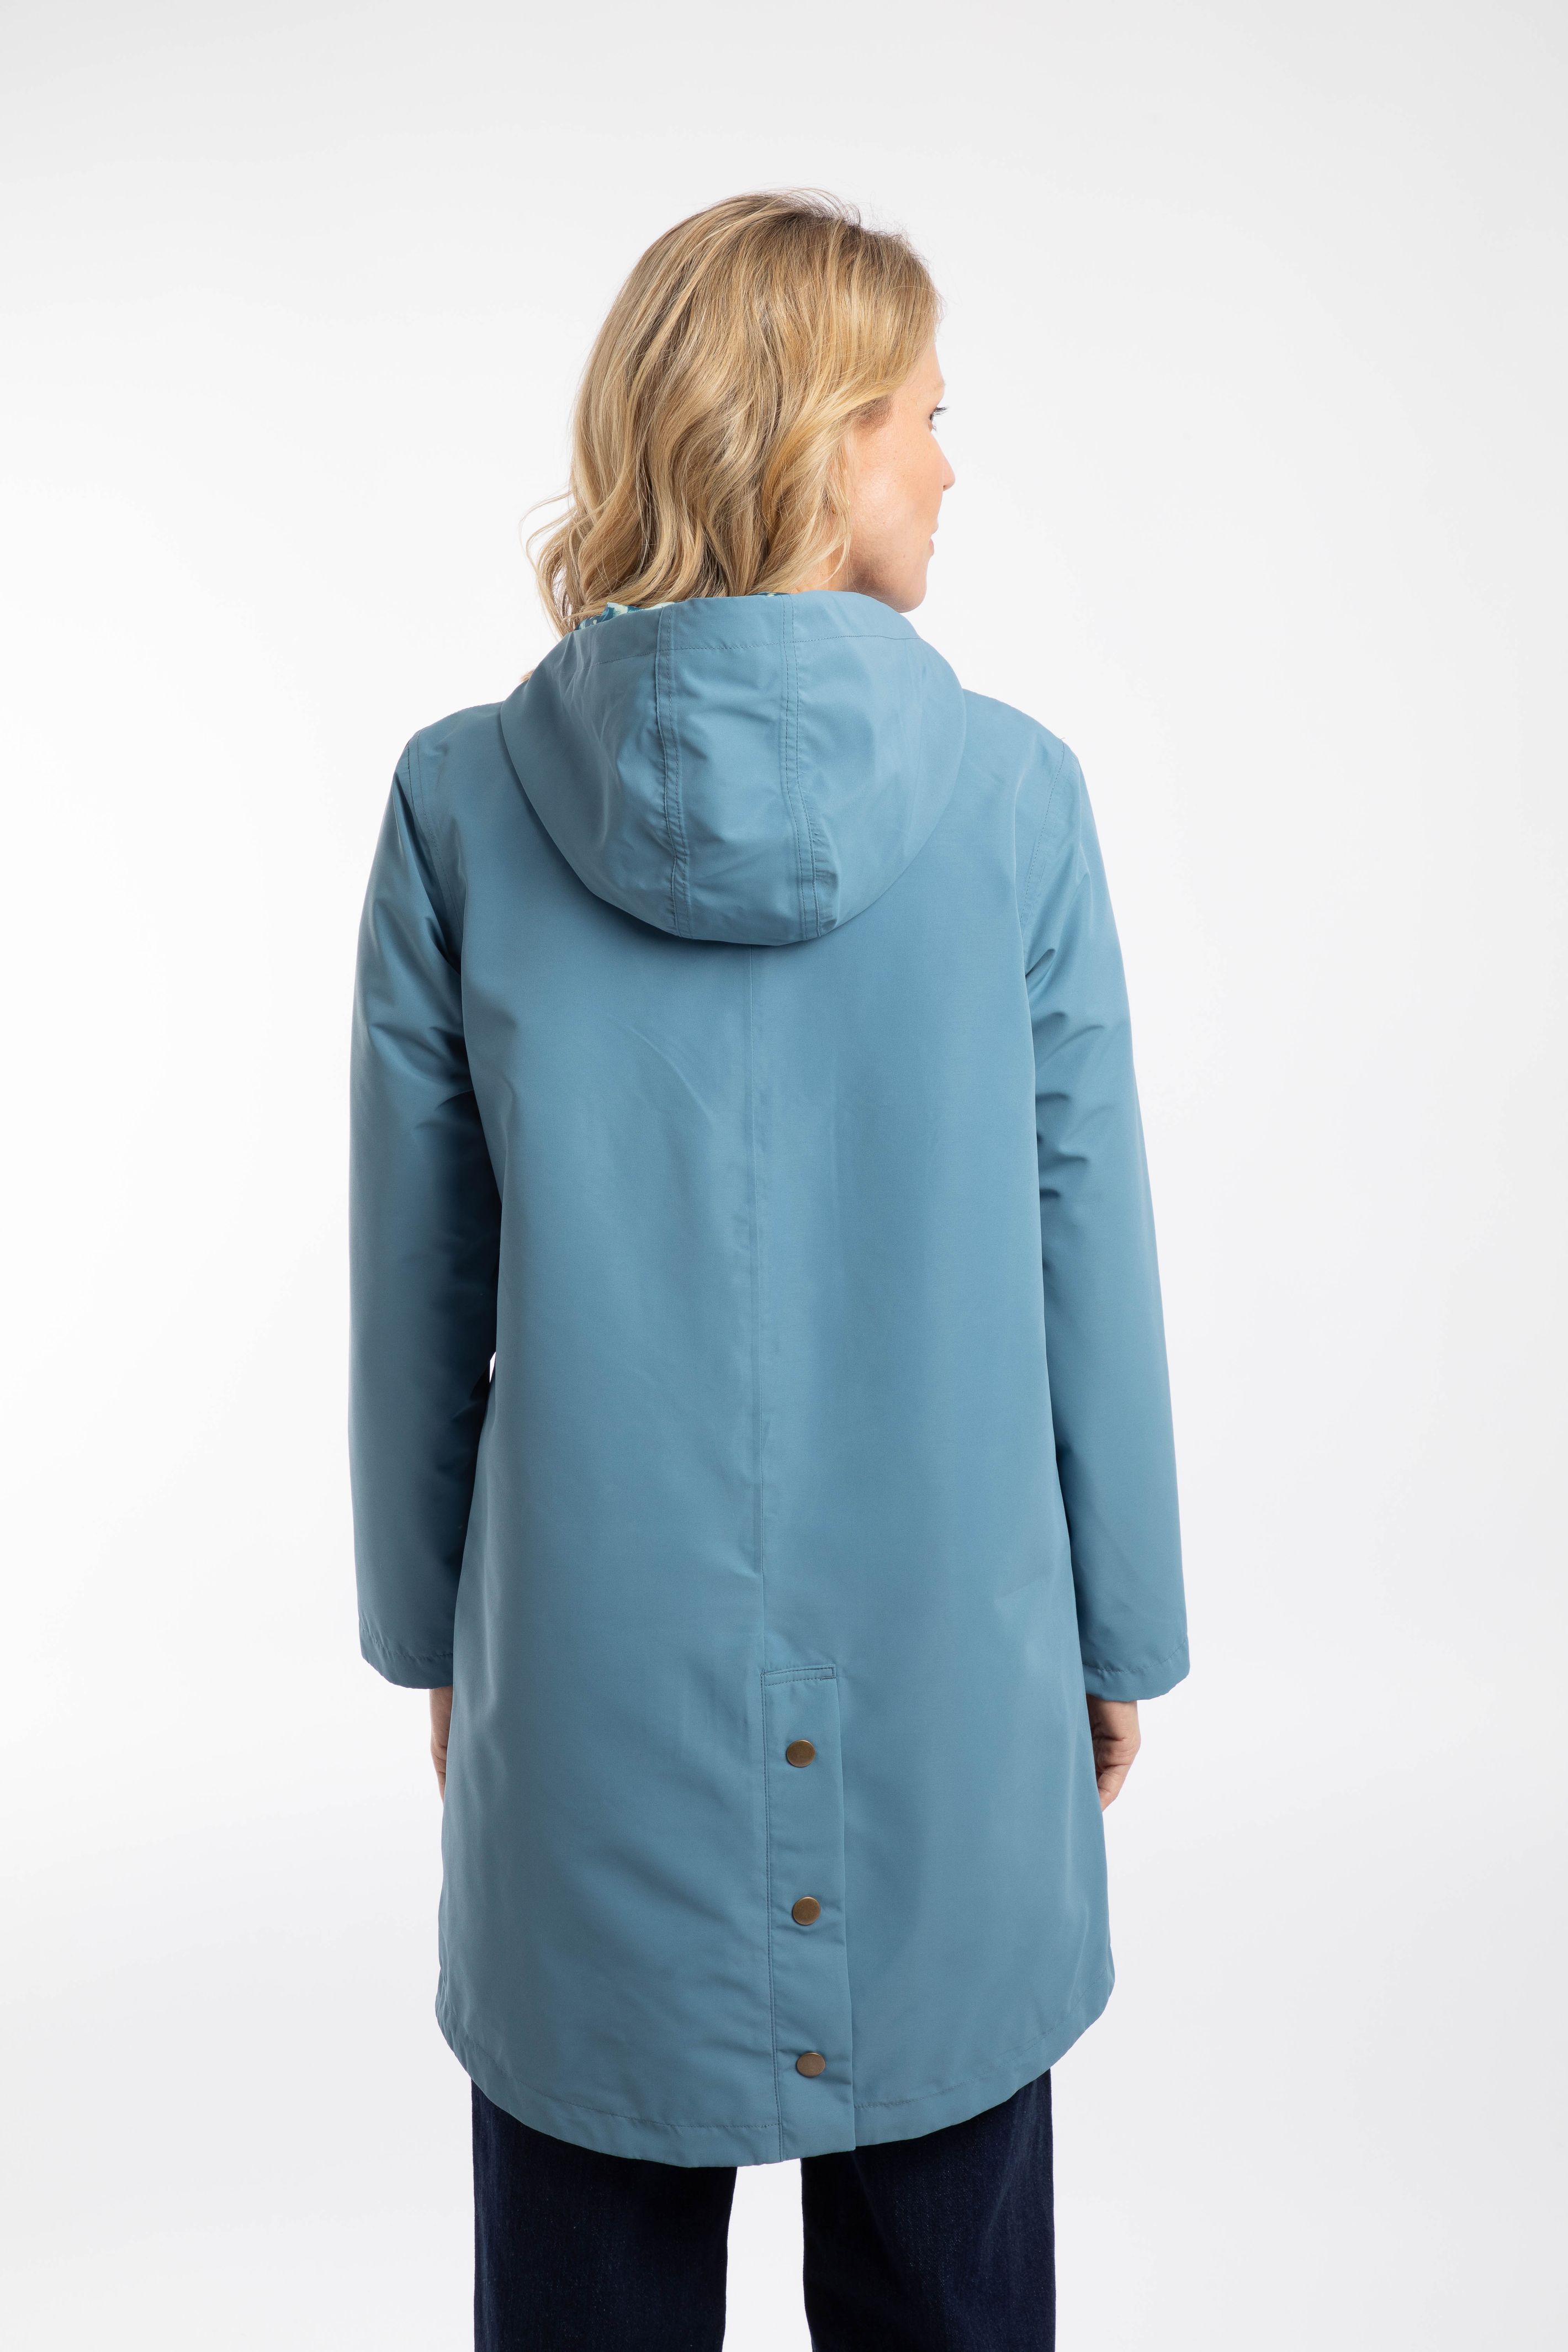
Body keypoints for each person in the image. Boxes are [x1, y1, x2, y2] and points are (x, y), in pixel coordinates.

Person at [349, 190, 1188, 2351]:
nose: (950, 468)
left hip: (587, 1701)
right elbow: (1082, 1239)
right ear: (822, 441)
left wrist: (436, 1637)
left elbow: (418, 1288)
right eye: (925, 416)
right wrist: (1116, 1633)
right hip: (954, 1698)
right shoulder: (1017, 802)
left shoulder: (460, 806)